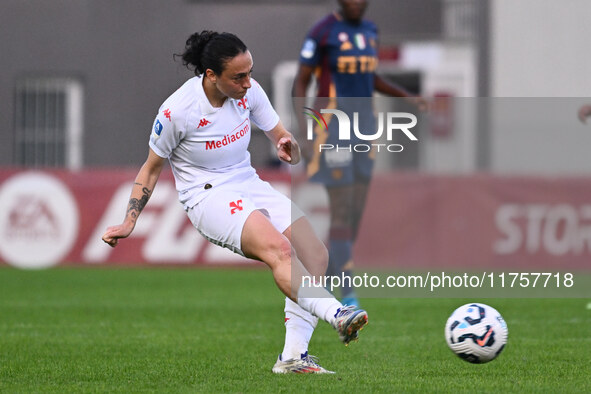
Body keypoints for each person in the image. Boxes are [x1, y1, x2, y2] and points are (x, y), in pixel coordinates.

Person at [101, 31, 368, 374]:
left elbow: (279, 134)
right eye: (238, 76)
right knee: (280, 250)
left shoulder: (249, 92)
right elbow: (151, 168)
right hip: (208, 196)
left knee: (316, 255)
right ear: (211, 75)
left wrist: (288, 144)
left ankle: (292, 358)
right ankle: (338, 314)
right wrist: (129, 220)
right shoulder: (177, 111)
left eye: (250, 72)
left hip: (248, 183)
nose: (247, 83)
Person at [279, 0, 425, 369]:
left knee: (353, 216)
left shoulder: (371, 32)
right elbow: (302, 79)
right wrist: (303, 128)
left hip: (365, 131)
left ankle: (331, 277)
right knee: (342, 208)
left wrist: (407, 97)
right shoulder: (323, 32)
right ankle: (347, 296)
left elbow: (371, 78)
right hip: (332, 129)